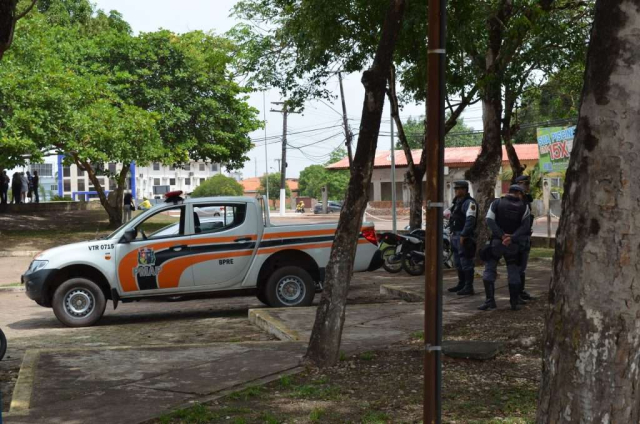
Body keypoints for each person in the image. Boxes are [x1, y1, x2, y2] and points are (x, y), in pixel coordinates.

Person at [479, 184, 531, 311]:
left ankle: (490, 301)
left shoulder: (496, 203)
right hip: (513, 245)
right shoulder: (524, 207)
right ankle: (514, 303)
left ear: (509, 192)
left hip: (497, 243)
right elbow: (525, 226)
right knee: (513, 271)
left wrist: (502, 236)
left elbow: (489, 220)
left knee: (489, 269)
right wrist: (511, 237)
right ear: (519, 194)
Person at [446, 180, 478, 296]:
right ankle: (461, 284)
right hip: (455, 235)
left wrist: (464, 235)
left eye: (458, 189)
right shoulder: (457, 202)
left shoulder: (469, 203)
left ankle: (469, 287)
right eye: (455, 189)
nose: (456, 191)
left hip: (464, 236)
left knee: (466, 262)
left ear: (464, 190)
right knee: (458, 262)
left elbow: (470, 220)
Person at [515, 174, 534, 301]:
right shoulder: (515, 201)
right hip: (517, 238)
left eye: (528, 184)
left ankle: (520, 291)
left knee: (522, 267)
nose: (527, 187)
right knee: (517, 267)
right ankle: (516, 293)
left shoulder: (526, 199)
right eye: (525, 184)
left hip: (525, 236)